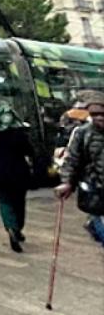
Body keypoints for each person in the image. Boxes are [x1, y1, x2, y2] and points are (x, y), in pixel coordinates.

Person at [0, 105, 35, 253]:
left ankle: (11, 227)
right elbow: (30, 151)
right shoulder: (19, 132)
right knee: (19, 202)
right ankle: (18, 228)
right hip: (19, 173)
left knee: (5, 201)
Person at [56, 94, 104, 247]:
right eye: (95, 114)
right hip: (97, 191)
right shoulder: (82, 133)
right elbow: (72, 161)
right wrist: (67, 182)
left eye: (103, 113)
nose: (99, 118)